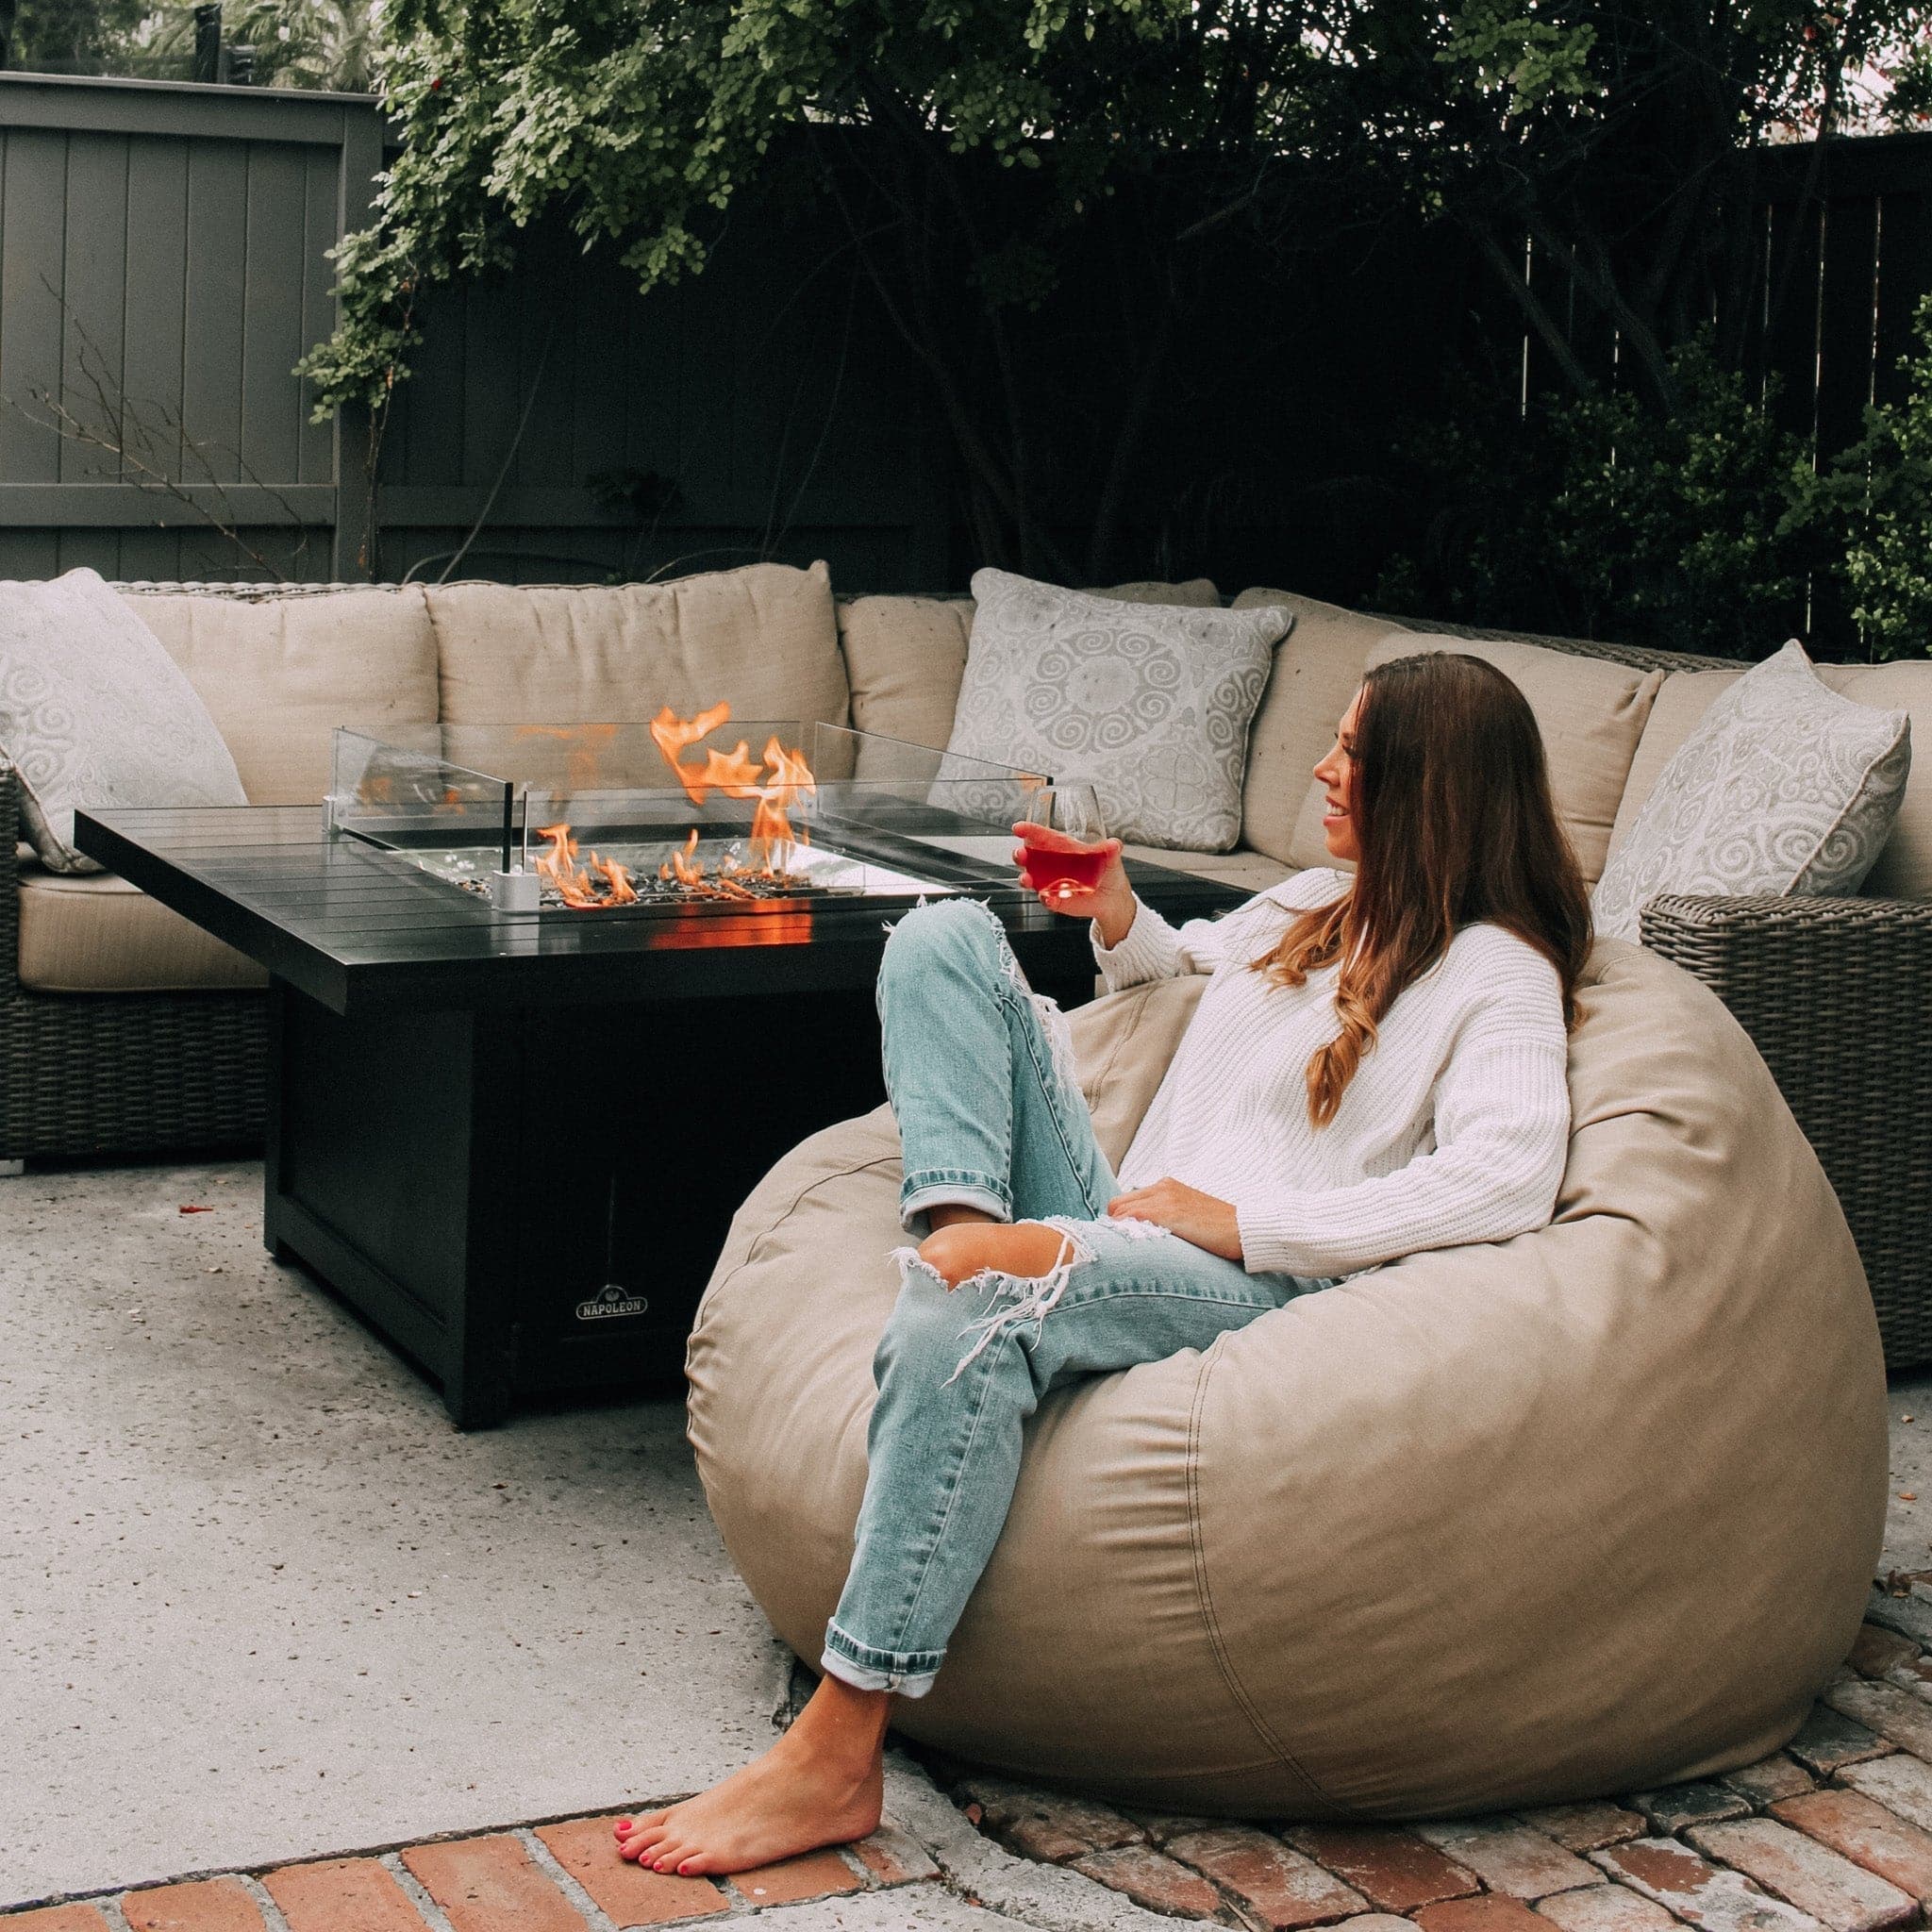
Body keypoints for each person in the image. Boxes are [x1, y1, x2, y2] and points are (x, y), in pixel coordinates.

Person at [615, 649, 1592, 1876]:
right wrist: (1119, 910)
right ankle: (956, 1252)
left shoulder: (1497, 971)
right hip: (1122, 1223)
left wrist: (1246, 1226)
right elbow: (1180, 973)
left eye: (1353, 752)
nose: (1322, 769)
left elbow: (1507, 1178)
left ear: (1431, 785)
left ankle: (841, 1744)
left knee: (988, 1296)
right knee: (942, 938)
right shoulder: (1307, 905)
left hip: (1247, 1280)